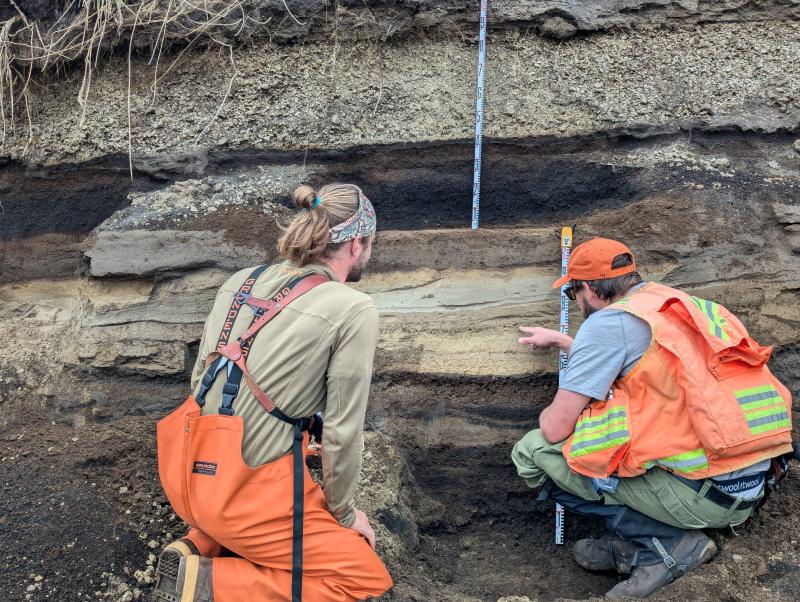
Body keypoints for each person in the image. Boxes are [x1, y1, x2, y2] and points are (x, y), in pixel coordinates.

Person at [512, 238, 793, 598]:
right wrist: (571, 344)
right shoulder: (680, 305)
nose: (576, 303)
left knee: (534, 451)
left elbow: (555, 428)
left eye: (571, 295)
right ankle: (636, 546)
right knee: (633, 439)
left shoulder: (605, 324)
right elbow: (654, 361)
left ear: (587, 289)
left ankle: (666, 546)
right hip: (754, 484)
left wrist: (580, 359)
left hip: (702, 500)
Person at [152, 183, 393, 601]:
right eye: (370, 244)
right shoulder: (352, 307)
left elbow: (200, 384)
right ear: (357, 244)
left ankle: (198, 545)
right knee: (363, 578)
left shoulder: (242, 280)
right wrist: (345, 515)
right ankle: (204, 585)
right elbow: (342, 432)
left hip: (185, 479)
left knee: (290, 444)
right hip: (242, 500)